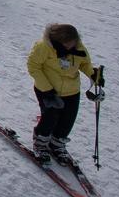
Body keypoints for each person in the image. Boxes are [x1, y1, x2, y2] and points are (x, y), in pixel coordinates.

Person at [27, 24, 104, 167]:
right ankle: (41, 142)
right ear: (59, 40)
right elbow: (33, 66)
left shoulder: (78, 47)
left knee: (68, 119)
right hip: (48, 89)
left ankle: (57, 143)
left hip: (72, 90)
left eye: (73, 43)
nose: (71, 47)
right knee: (51, 116)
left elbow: (85, 64)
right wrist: (47, 89)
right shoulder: (44, 47)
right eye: (68, 44)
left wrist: (94, 75)